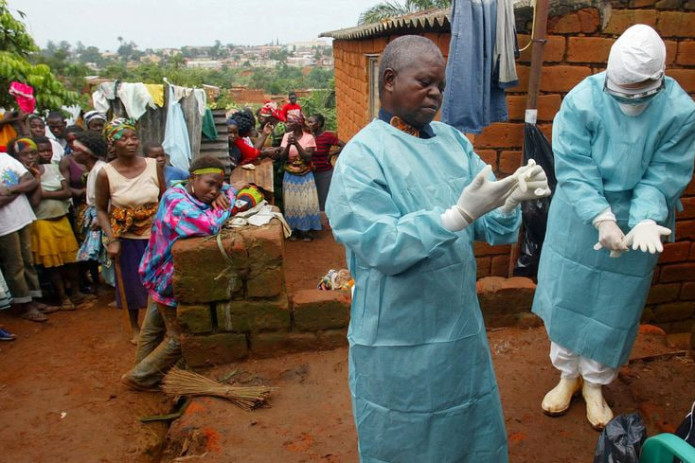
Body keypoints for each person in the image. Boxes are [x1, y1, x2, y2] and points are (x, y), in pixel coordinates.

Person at [325, 35, 549, 462]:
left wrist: (506, 201)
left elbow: (491, 228)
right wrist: (454, 217)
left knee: (466, 424)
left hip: (456, 325)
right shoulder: (362, 157)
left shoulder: (453, 142)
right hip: (396, 331)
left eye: (442, 86)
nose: (436, 94)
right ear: (389, 80)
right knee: (402, 430)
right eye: (425, 82)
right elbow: (382, 244)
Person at [532, 24, 695, 430]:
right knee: (569, 295)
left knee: (613, 305)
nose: (629, 98)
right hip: (579, 217)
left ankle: (595, 384)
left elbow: (663, 173)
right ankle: (567, 375)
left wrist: (643, 218)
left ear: (657, 79)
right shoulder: (582, 100)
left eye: (638, 90)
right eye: (621, 88)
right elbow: (573, 165)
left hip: (639, 222)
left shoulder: (680, 112)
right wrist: (601, 217)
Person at [121, 156, 236, 391]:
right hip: (166, 276)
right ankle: (141, 377)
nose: (214, 192)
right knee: (177, 336)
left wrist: (226, 191)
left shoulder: (186, 191)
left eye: (218, 186)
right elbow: (208, 225)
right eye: (210, 184)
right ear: (193, 178)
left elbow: (228, 187)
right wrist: (230, 201)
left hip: (158, 271)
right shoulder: (175, 200)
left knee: (153, 328)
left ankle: (142, 370)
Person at [95, 118, 165, 343]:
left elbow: (165, 199)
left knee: (162, 283)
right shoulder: (106, 173)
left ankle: (161, 325)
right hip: (127, 237)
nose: (130, 142)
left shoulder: (153, 165)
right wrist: (112, 238)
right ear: (112, 144)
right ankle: (135, 327)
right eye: (122, 139)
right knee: (132, 285)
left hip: (156, 236)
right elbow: (101, 209)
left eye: (134, 137)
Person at [18, 136, 89, 310]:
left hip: (61, 218)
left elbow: (66, 193)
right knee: (52, 264)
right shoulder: (22, 176)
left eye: (33, 153)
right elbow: (34, 202)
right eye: (26, 154)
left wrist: (43, 193)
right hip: (42, 223)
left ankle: (76, 293)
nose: (31, 157)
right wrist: (37, 182)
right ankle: (63, 297)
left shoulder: (52, 168)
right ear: (18, 157)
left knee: (72, 259)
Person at [0, 139, 59, 322]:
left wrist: (9, 190)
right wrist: (20, 189)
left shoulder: (5, 158)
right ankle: (25, 305)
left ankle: (34, 299)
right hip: (4, 226)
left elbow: (31, 181)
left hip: (23, 217)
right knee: (14, 265)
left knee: (28, 261)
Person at [72, 131, 111, 292]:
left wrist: (99, 219)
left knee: (108, 253)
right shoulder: (94, 170)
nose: (73, 154)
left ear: (86, 154)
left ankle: (119, 292)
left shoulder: (100, 170)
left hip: (101, 215)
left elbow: (108, 198)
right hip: (96, 214)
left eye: (76, 150)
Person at [276, 112, 320, 241]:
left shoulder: (309, 138)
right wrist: (289, 144)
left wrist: (296, 144)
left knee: (305, 203)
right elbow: (282, 157)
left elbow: (307, 158)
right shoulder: (286, 136)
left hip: (305, 175)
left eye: (290, 122)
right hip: (290, 175)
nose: (287, 124)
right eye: (287, 121)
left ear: (298, 123)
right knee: (292, 203)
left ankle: (306, 230)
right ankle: (293, 230)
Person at [307, 113, 344, 213]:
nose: (308, 124)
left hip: (324, 173)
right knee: (312, 199)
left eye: (311, 122)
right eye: (308, 122)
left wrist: (332, 154)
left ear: (318, 124)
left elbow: (344, 145)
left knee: (324, 199)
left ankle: (324, 224)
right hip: (309, 173)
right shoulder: (307, 137)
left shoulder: (327, 136)